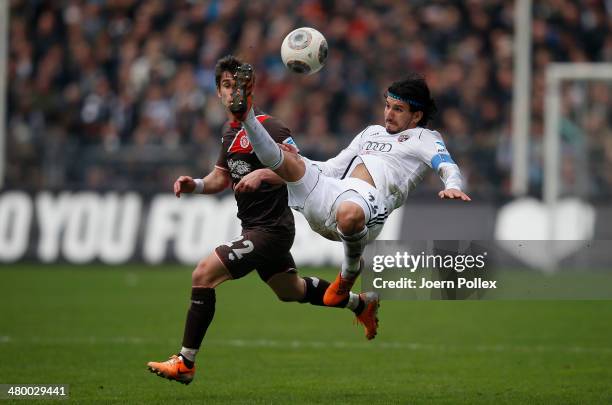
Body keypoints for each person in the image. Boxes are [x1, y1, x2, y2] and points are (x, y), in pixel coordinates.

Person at [146, 55, 380, 386]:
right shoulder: (228, 133)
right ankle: (359, 304)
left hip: (272, 229)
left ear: (250, 90)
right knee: (290, 290)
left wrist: (263, 174)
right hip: (255, 228)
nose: (232, 93)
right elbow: (219, 178)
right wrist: (194, 185)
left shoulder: (270, 127)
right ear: (218, 92)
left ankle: (185, 362)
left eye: (238, 86)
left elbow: (299, 169)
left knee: (203, 273)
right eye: (226, 86)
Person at [229, 64, 471, 307]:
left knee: (349, 212)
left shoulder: (425, 138)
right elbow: (333, 168)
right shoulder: (370, 132)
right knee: (286, 159)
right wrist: (300, 162)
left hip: (369, 206)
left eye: (398, 109)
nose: (389, 114)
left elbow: (445, 164)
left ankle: (349, 272)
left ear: (416, 116)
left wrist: (453, 184)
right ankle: (247, 116)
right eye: (387, 106)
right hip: (332, 193)